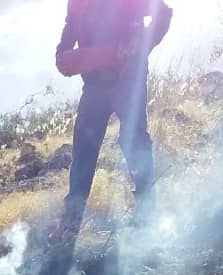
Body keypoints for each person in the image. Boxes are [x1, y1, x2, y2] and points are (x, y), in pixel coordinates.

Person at [55, 0, 172, 243]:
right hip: (94, 86)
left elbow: (162, 14)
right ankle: (70, 225)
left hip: (128, 82)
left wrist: (140, 50)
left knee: (134, 142)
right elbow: (71, 25)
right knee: (84, 151)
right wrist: (63, 51)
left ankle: (147, 214)